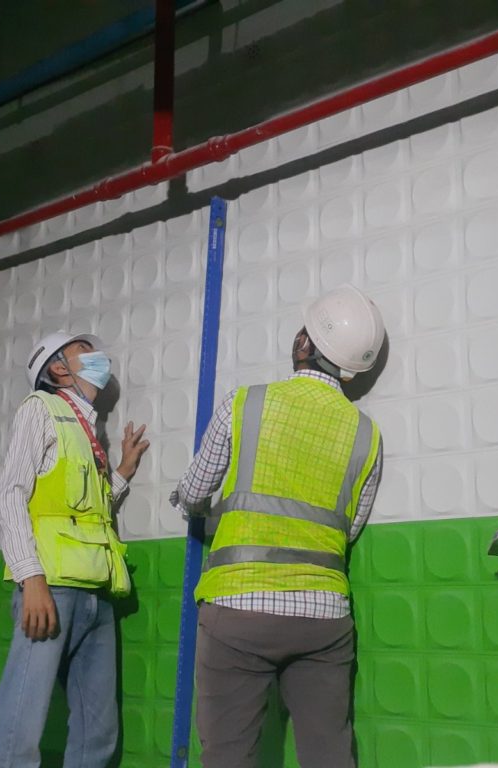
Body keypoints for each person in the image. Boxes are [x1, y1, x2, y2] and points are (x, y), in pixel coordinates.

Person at [172, 283, 386, 768]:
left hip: (237, 608)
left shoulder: (245, 404)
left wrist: (190, 505)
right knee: (329, 754)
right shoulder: (367, 434)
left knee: (228, 756)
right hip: (325, 617)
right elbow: (347, 529)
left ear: (304, 345)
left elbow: (194, 491)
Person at [0, 331, 150, 768]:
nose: (95, 355)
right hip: (51, 588)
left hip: (98, 594)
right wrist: (30, 577)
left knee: (98, 735)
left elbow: (84, 509)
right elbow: (9, 497)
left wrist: (123, 473)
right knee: (19, 727)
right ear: (58, 368)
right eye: (81, 350)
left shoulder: (87, 431)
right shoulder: (41, 410)